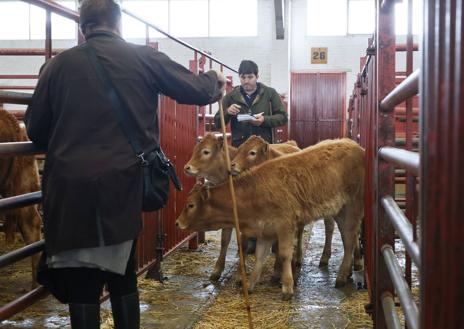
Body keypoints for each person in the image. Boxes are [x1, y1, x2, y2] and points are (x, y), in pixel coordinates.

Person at [24, 0, 225, 328]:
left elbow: (35, 129)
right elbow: (196, 90)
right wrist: (213, 79)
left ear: (82, 27)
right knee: (123, 276)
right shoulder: (142, 58)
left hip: (69, 189)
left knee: (82, 287)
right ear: (119, 25)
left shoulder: (56, 67)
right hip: (120, 186)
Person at [214, 60, 288, 254]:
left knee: (266, 195)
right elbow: (216, 122)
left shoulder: (270, 94)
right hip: (240, 154)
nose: (246, 81)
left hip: (263, 154)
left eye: (250, 77)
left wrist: (265, 120)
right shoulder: (231, 96)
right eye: (243, 77)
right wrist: (227, 113)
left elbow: (283, 117)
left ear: (257, 76)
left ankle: (271, 236)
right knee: (246, 197)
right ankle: (251, 237)